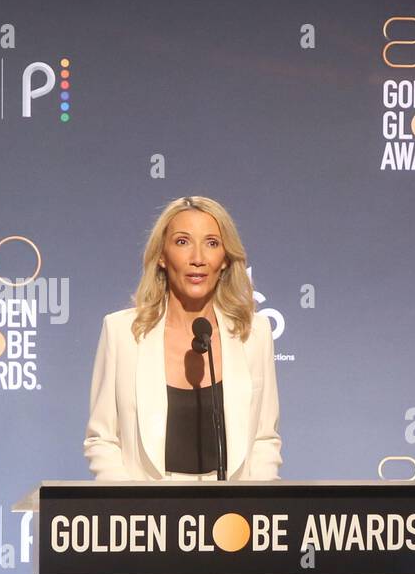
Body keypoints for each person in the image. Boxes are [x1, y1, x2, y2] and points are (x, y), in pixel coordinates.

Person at [83, 195, 281, 481]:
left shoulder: (254, 333)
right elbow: (102, 439)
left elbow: (264, 439)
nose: (198, 259)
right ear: (162, 256)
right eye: (182, 242)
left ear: (225, 258)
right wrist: (127, 507)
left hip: (234, 516)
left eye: (212, 243)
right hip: (146, 513)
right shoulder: (122, 332)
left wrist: (254, 502)